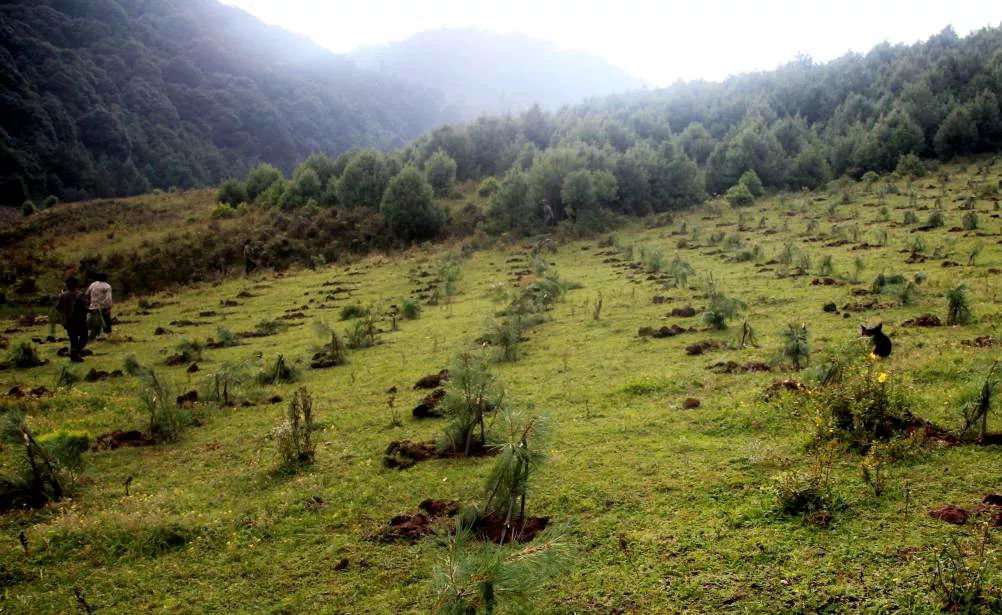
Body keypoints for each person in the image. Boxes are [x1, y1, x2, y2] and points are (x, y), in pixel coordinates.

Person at [56, 277, 89, 362]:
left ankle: (74, 355)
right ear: (76, 285)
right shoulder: (80, 294)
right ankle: (75, 353)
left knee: (73, 339)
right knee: (84, 338)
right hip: (80, 320)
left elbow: (59, 308)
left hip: (68, 321)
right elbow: (84, 307)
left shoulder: (62, 295)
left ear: (66, 285)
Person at [86, 272, 113, 337]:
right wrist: (109, 307)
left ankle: (91, 335)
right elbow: (108, 298)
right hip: (103, 307)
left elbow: (87, 294)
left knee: (91, 322)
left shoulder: (93, 284)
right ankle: (108, 334)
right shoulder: (107, 286)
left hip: (93, 306)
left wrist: (88, 303)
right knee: (106, 321)